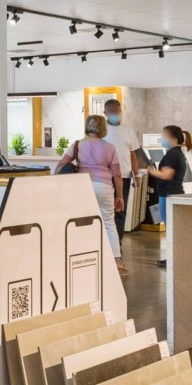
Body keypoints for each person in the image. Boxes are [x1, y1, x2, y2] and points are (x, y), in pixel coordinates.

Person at [56, 114, 126, 275]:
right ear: (104, 128)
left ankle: (82, 256)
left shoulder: (78, 144)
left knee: (82, 221)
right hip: (104, 186)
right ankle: (117, 261)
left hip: (83, 186)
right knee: (108, 222)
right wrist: (120, 196)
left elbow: (61, 164)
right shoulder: (110, 147)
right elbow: (117, 174)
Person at [143, 126, 191, 267]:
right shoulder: (177, 153)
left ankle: (173, 259)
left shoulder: (172, 155)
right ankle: (173, 258)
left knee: (170, 229)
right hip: (172, 193)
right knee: (172, 228)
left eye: (164, 136)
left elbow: (166, 175)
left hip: (168, 194)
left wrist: (149, 170)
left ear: (173, 138)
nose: (162, 139)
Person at [99, 100, 141, 238]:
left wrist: (136, 175)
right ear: (105, 113)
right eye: (111, 112)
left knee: (121, 209)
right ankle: (105, 240)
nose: (114, 114)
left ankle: (118, 240)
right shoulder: (101, 130)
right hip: (105, 176)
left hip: (124, 176)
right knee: (105, 210)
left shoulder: (128, 129)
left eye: (117, 111)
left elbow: (133, 154)